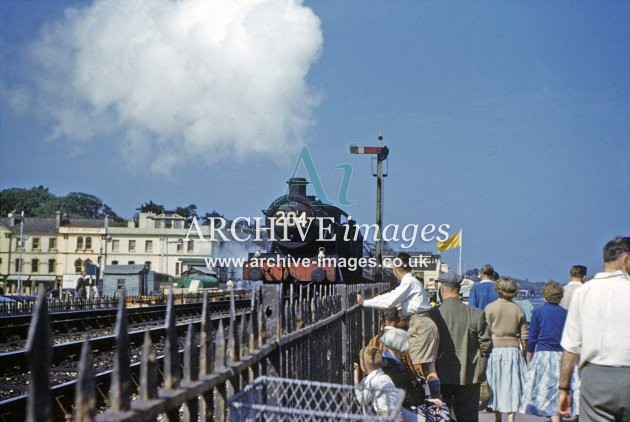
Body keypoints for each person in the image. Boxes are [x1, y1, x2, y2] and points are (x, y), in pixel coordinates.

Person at [558, 236, 630, 420]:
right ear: (627, 260)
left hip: (595, 377)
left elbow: (571, 348)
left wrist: (563, 388)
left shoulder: (584, 292)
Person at [357, 252, 443, 402]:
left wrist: (365, 302)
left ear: (395, 269)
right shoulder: (411, 282)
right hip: (421, 323)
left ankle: (435, 402)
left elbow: (389, 300)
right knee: (425, 366)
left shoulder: (409, 282)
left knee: (427, 368)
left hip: (420, 324)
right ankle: (434, 399)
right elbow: (392, 297)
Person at [430, 272, 492, 422]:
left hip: (440, 374)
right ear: (459, 289)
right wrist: (479, 368)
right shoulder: (476, 314)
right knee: (468, 417)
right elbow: (487, 345)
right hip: (469, 375)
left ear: (442, 288)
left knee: (441, 417)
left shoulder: (433, 314)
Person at [520, 281, 577, 421]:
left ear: (545, 296)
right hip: (562, 355)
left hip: (543, 354)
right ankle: (557, 416)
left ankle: (554, 417)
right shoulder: (565, 313)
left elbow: (532, 336)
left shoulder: (538, 312)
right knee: (560, 388)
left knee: (546, 390)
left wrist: (530, 354)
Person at [485, 277, 528, 422]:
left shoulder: (490, 308)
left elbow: (486, 332)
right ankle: (511, 419)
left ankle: (497, 418)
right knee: (512, 386)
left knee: (495, 384)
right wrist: (522, 354)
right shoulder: (519, 309)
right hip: (513, 350)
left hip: (495, 350)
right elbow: (524, 336)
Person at [369, 307, 418, 377]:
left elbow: (370, 360)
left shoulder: (374, 340)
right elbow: (410, 363)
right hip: (398, 379)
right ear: (398, 320)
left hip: (381, 378)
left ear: (382, 321)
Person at [354, 345, 401, 417]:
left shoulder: (374, 382)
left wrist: (355, 377)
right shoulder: (385, 377)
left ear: (363, 365)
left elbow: (361, 400)